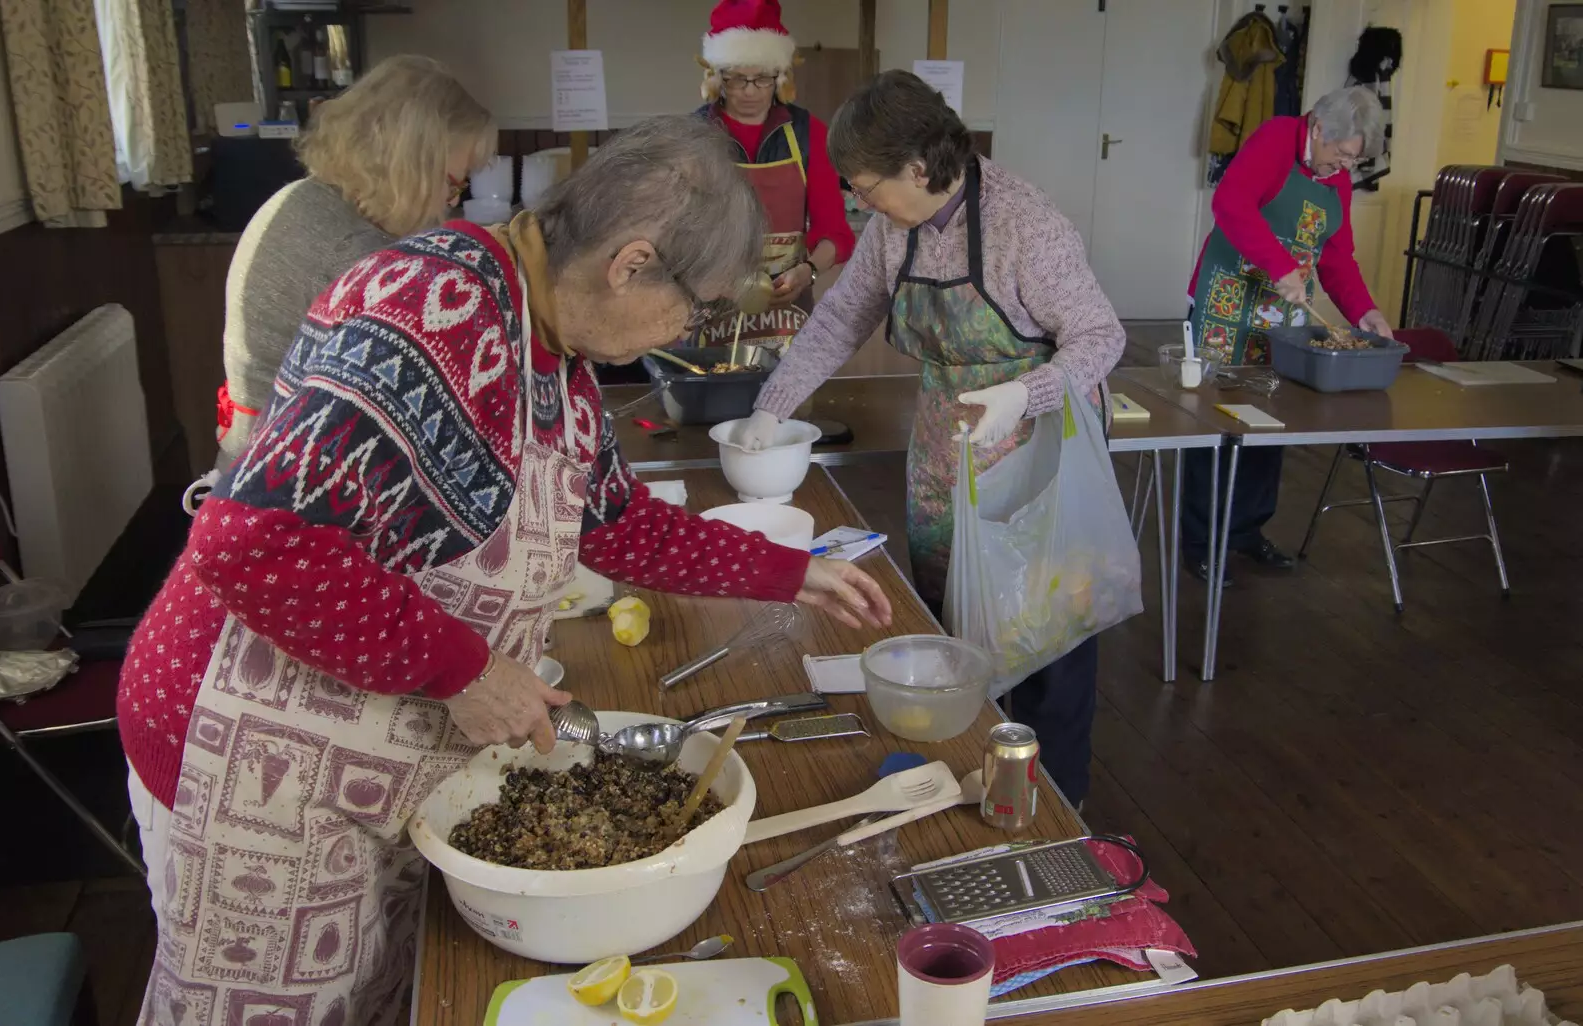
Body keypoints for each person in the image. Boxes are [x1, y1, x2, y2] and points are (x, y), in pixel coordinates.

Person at [119, 116, 893, 1026]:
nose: (689, 330)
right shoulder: (425, 310)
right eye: (698, 305)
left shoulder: (547, 340)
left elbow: (613, 520)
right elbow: (248, 544)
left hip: (361, 756)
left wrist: (788, 569)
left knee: (376, 998)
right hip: (253, 759)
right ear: (631, 262)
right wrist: (465, 672)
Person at [735, 71, 1124, 809]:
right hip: (949, 452)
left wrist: (1025, 393)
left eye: (866, 185)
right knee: (957, 628)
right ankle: (967, 787)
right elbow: (841, 317)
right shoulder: (893, 230)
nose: (858, 202)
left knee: (1047, 643)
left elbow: (1102, 336)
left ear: (920, 166)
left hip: (1042, 452)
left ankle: (1052, 815)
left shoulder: (1026, 226)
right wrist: (773, 406)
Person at [214, 54, 496, 472]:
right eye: (453, 184)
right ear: (412, 165)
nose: (450, 202)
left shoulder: (306, 197)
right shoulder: (355, 248)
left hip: (252, 449)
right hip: (285, 474)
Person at [1181, 85, 1392, 585]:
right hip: (1226, 305)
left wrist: (1365, 311)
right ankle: (1200, 540)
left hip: (1284, 314)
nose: (1340, 170)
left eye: (1350, 162)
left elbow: (1337, 254)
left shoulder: (1335, 177)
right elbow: (1231, 204)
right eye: (1338, 156)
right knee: (1213, 421)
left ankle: (1247, 531)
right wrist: (1278, 265)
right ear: (1318, 129)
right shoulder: (1276, 139)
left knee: (1272, 420)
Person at [691, 0, 855, 349]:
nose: (750, 90)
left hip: (787, 312)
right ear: (717, 77)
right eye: (736, 77)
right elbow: (674, 235)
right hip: (710, 310)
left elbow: (835, 234)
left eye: (762, 78)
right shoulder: (691, 137)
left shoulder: (809, 133)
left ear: (780, 76)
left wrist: (807, 272)